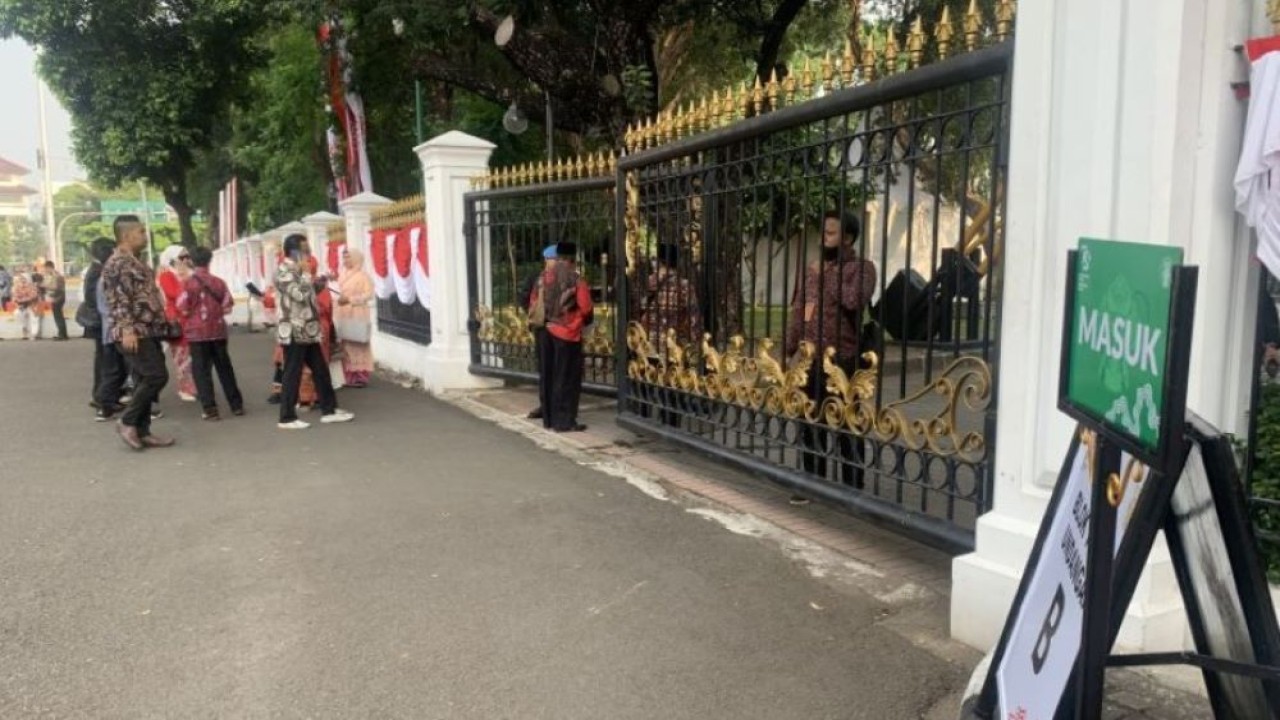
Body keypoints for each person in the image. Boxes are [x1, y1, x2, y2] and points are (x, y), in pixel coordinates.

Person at [784, 210, 877, 489]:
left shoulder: (862, 268)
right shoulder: (812, 270)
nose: (824, 238)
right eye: (824, 232)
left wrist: (829, 275)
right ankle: (814, 483)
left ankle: (852, 489)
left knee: (847, 425)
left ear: (847, 238)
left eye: (831, 233)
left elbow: (853, 300)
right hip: (810, 362)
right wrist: (789, 349)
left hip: (842, 362)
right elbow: (803, 310)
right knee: (810, 421)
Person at [101, 215, 174, 451]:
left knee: (145, 378)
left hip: (148, 330)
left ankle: (142, 431)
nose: (145, 236)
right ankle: (127, 421)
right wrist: (127, 329)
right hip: (134, 332)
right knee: (156, 376)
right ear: (126, 235)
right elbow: (120, 299)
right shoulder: (118, 263)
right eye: (141, 232)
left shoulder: (136, 260)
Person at [275, 233, 353, 429]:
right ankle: (287, 417)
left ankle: (329, 409)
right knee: (292, 373)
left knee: (320, 370)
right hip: (294, 329)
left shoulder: (299, 271)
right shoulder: (284, 271)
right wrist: (307, 274)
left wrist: (323, 280)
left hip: (308, 329)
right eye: (305, 249)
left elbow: (311, 292)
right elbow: (300, 294)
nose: (308, 253)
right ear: (294, 252)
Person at [637, 241, 702, 427]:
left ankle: (644, 416)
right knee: (672, 382)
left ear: (660, 260)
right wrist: (695, 340)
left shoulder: (649, 282)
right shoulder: (684, 285)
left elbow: (639, 307)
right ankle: (670, 420)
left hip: (649, 341)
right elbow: (693, 315)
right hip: (673, 344)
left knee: (649, 379)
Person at [530, 241, 593, 433]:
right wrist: (581, 322)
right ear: (573, 257)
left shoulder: (542, 277)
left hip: (545, 332)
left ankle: (549, 418)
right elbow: (585, 307)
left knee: (548, 375)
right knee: (566, 377)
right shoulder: (576, 279)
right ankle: (564, 421)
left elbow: (533, 301)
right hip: (567, 334)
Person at [177, 246, 243, 421]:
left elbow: (182, 308)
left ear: (191, 261)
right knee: (224, 368)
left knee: (201, 371)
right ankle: (236, 405)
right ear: (210, 260)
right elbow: (227, 307)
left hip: (196, 333)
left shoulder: (188, 283)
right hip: (218, 331)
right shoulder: (219, 282)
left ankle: (210, 409)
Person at [520, 245, 558, 420]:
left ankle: (556, 406)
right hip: (545, 330)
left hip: (558, 331)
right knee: (546, 369)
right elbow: (524, 299)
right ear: (547, 260)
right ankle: (547, 406)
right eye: (555, 259)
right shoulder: (538, 279)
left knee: (559, 369)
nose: (558, 262)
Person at [157, 245, 197, 401]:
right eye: (182, 257)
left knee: (193, 356)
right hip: (177, 321)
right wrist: (185, 279)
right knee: (182, 356)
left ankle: (193, 385)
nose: (186, 260)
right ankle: (185, 388)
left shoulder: (190, 273)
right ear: (172, 259)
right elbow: (174, 294)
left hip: (191, 320)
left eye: (187, 256)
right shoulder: (166, 275)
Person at [80, 238, 115, 409]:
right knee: (105, 362)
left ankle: (105, 397)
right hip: (101, 324)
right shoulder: (97, 271)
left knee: (105, 361)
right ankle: (102, 398)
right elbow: (95, 299)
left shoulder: (96, 269)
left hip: (101, 324)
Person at [335, 247, 374, 387]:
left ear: (356, 258)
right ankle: (348, 375)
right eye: (344, 258)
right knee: (346, 344)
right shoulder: (342, 274)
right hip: (343, 312)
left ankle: (360, 376)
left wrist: (351, 299)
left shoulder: (363, 276)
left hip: (357, 313)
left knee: (358, 343)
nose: (346, 260)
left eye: (348, 257)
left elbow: (369, 294)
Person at [41, 260, 68, 340]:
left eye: (46, 268)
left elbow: (56, 287)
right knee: (58, 316)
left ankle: (62, 335)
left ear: (49, 267)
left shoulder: (57, 276)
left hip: (58, 298)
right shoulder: (52, 275)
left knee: (58, 316)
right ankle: (62, 333)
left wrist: (45, 286)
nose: (45, 270)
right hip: (55, 297)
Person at [11, 273, 39, 340]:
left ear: (28, 279)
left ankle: (33, 334)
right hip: (22, 306)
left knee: (34, 318)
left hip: (32, 305)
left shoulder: (32, 287)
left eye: (24, 279)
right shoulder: (16, 287)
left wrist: (22, 299)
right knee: (17, 313)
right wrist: (20, 302)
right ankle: (24, 328)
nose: (22, 280)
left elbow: (33, 296)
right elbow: (14, 298)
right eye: (21, 279)